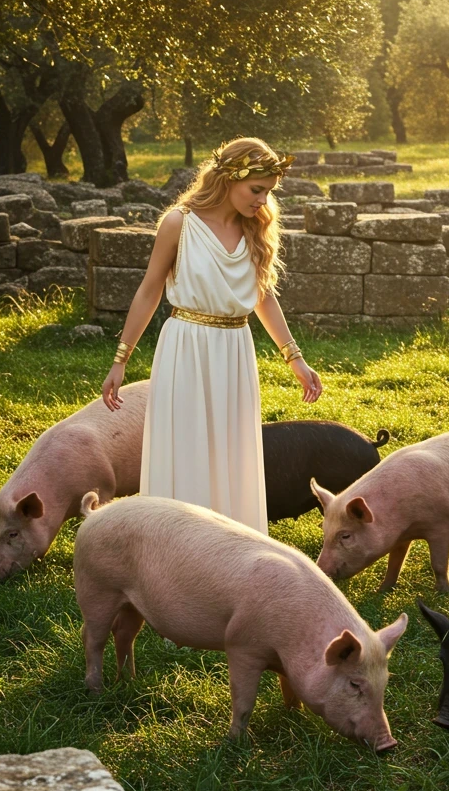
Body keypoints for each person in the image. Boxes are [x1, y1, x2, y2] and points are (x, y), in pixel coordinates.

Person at [101, 137, 322, 534]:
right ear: (227, 178)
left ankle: (228, 544)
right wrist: (121, 360)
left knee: (231, 451)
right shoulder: (179, 223)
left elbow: (263, 297)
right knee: (185, 446)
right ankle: (173, 541)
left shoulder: (256, 227)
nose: (263, 200)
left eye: (268, 192)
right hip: (186, 345)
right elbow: (149, 290)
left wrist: (295, 358)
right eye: (256, 190)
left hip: (235, 349)